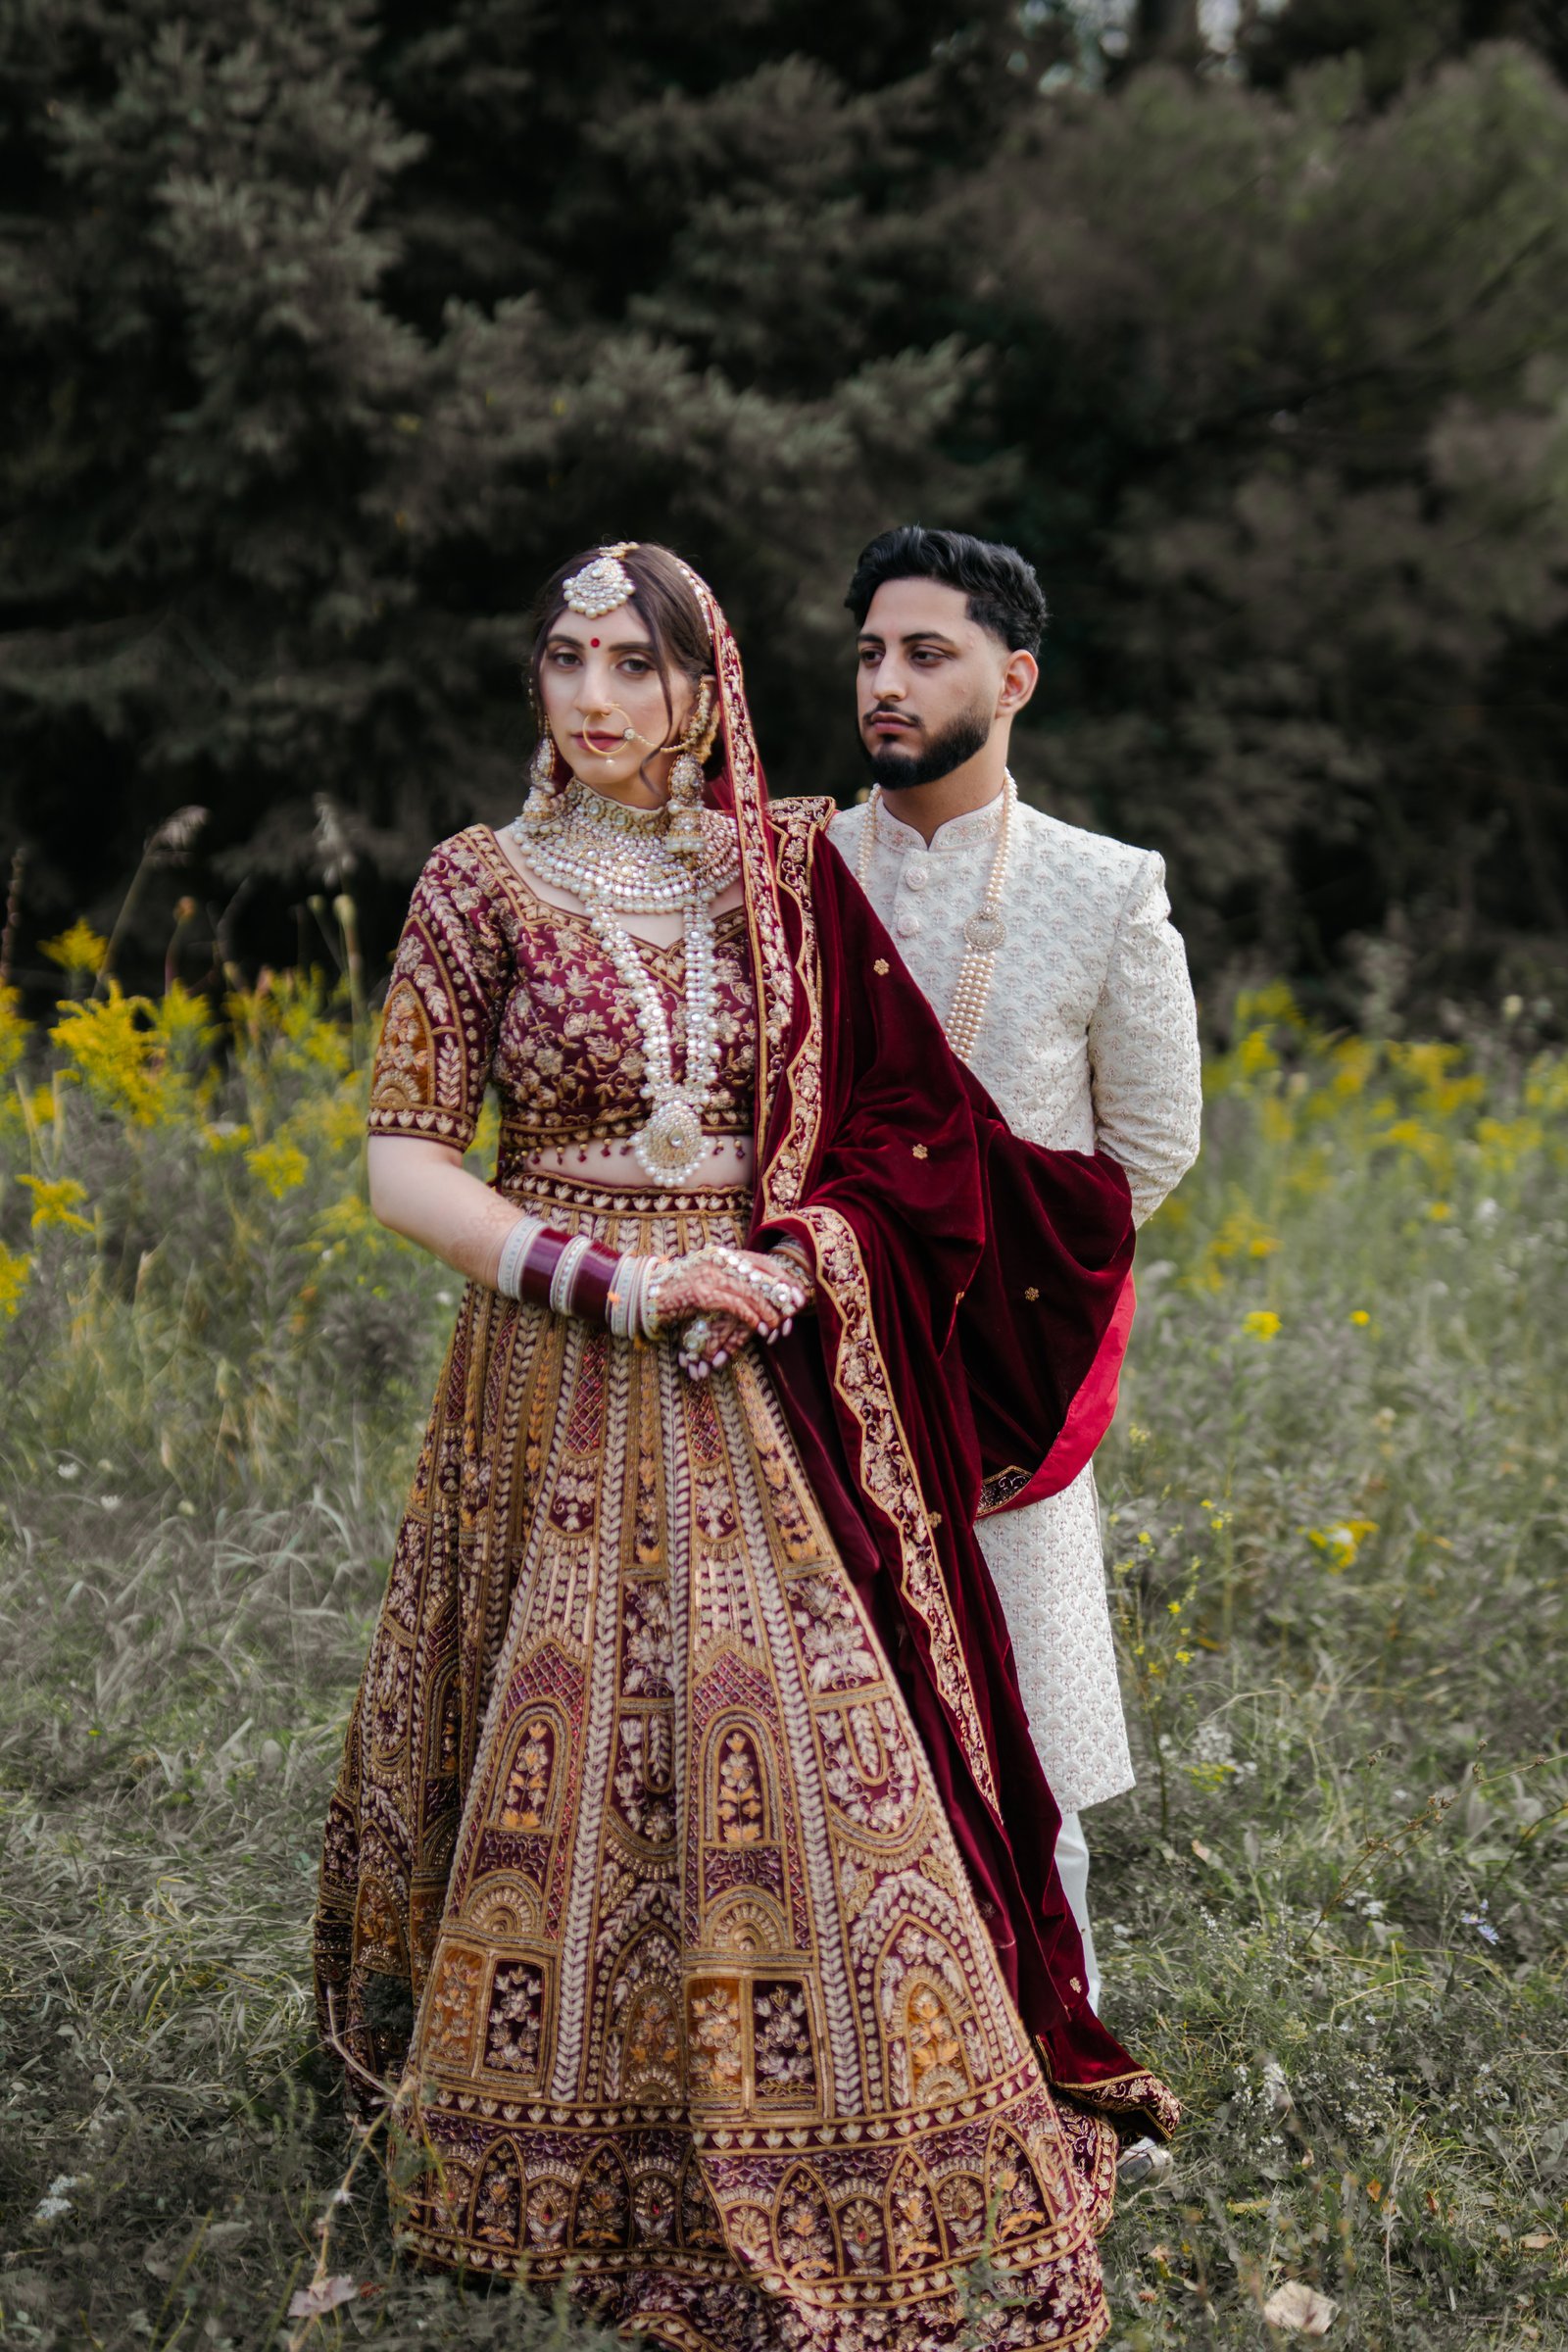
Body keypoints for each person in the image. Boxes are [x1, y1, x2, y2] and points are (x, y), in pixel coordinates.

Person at [314, 540, 1177, 2347]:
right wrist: (609, 1277)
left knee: (799, 1754)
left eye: (636, 664)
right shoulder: (480, 884)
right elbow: (403, 1158)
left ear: (704, 690)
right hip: (554, 1369)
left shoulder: (779, 873)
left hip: (760, 1372)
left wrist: (786, 1268)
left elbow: (898, 1118)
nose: (598, 699)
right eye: (565, 661)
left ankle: (876, 2107)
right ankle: (530, 2128)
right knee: (559, 1736)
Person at [829, 525, 1202, 2016]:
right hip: (809, 1366)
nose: (888, 683)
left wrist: (993, 1298)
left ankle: (1056, 2077)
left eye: (927, 654)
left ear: (1015, 677)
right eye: (870, 653)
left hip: (1004, 1378)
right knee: (813, 1743)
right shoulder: (793, 867)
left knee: (1021, 1753)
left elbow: (1151, 1146)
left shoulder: (1107, 886)